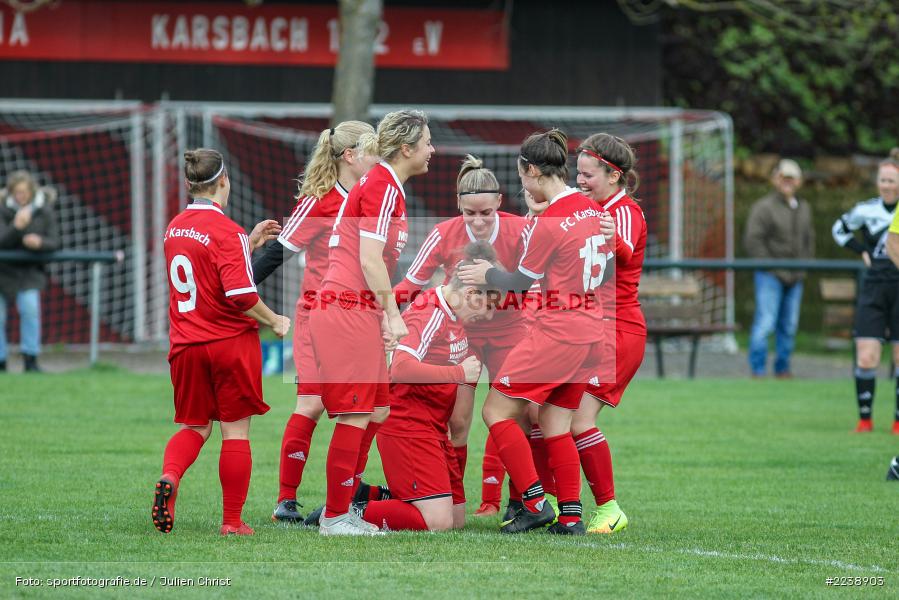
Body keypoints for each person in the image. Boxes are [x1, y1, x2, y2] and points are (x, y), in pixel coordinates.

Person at [459, 129, 613, 535]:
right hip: (590, 329)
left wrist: (484, 273)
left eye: (521, 176)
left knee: (496, 410)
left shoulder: (551, 222)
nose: (521, 185)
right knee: (555, 421)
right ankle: (572, 517)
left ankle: (533, 501)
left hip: (558, 331)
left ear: (530, 170)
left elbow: (519, 282)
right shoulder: (588, 206)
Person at [308, 109, 433, 536]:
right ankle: (335, 516)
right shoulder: (382, 185)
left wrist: (381, 314)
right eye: (427, 142)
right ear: (407, 148)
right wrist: (394, 316)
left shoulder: (384, 185)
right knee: (356, 414)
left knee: (377, 409)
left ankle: (344, 507)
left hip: (356, 310)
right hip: (345, 309)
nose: (432, 149)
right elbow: (368, 258)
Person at [153, 148, 290, 536]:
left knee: (195, 426)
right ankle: (232, 521)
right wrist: (274, 320)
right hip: (229, 343)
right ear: (225, 180)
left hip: (186, 344)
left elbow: (205, 268)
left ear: (189, 184)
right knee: (235, 431)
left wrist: (248, 244)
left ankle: (170, 476)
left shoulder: (175, 227)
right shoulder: (226, 231)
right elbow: (240, 296)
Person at [250, 121, 381, 523]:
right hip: (319, 316)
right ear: (349, 156)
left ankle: (345, 496)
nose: (377, 157)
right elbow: (277, 254)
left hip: (362, 316)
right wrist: (239, 288)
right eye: (370, 149)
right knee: (312, 403)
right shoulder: (318, 200)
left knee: (374, 410)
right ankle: (285, 500)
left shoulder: (375, 196)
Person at [393, 155, 534, 517]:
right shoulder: (443, 233)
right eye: (470, 213)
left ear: (499, 202)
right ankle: (458, 500)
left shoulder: (520, 230)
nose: (479, 220)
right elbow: (412, 283)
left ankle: (511, 502)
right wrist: (377, 310)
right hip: (462, 333)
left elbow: (541, 280)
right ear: (458, 206)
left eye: (486, 212)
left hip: (510, 330)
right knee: (458, 421)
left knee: (514, 415)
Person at [358, 242, 493, 531]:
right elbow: (401, 368)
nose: (489, 315)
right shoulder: (430, 311)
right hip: (407, 426)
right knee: (437, 522)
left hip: (432, 429)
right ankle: (347, 510)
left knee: (456, 520)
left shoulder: (454, 314)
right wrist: (459, 372)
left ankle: (367, 494)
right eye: (487, 306)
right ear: (470, 294)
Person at [572, 133, 647, 533]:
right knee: (546, 413)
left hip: (617, 332)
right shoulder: (593, 210)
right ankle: (552, 502)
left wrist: (609, 237)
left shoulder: (623, 212)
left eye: (588, 175)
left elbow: (626, 250)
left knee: (577, 420)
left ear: (613, 175)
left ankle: (609, 508)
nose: (580, 181)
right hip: (589, 329)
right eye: (578, 173)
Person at [839, 149, 899, 434]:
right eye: (883, 180)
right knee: (866, 356)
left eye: (892, 180)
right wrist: (861, 250)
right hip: (874, 286)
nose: (887, 185)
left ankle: (897, 421)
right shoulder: (866, 210)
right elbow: (839, 230)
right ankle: (865, 420)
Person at [743, 159, 814, 378]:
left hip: (795, 277)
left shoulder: (804, 208)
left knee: (789, 326)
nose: (787, 182)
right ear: (775, 179)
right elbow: (753, 241)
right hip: (770, 275)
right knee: (765, 323)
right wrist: (773, 268)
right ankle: (758, 370)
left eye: (791, 178)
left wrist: (801, 269)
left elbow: (808, 241)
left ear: (799, 181)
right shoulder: (763, 207)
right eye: (784, 177)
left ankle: (783, 369)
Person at [0, 171, 60, 373]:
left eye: (24, 192)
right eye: (16, 192)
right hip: (3, 270)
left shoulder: (44, 211)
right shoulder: (2, 209)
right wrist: (16, 227)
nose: (20, 196)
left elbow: (55, 241)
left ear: (32, 192)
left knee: (30, 310)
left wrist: (39, 242)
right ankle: (1, 361)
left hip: (29, 271)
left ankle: (30, 359)